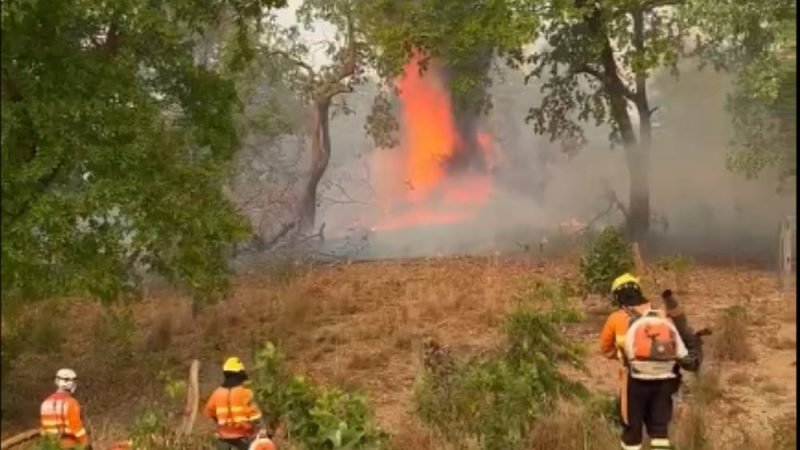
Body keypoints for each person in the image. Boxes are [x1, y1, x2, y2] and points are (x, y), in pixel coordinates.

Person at [599, 273, 701, 450]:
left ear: (617, 296)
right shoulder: (661, 314)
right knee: (659, 430)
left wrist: (622, 355)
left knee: (632, 429)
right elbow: (678, 342)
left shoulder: (615, 318)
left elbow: (606, 350)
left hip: (634, 381)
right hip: (665, 380)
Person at [205, 357, 265, 450]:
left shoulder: (217, 393)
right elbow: (255, 415)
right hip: (243, 438)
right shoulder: (245, 392)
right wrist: (262, 430)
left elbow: (209, 411)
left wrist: (221, 422)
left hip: (223, 438)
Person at [40, 368, 91, 449]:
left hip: (50, 445)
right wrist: (86, 441)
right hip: (68, 445)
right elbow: (76, 428)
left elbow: (44, 429)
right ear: (72, 384)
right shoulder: (71, 402)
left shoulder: (45, 403)